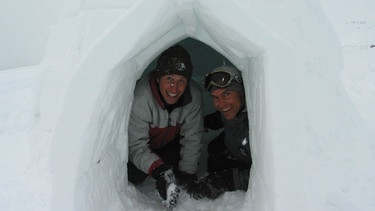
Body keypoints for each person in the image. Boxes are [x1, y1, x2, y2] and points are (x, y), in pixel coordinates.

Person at [127, 45, 203, 208]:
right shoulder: (141, 99)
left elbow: (192, 137)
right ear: (158, 77)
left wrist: (188, 175)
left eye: (181, 81)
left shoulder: (193, 97)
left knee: (178, 166)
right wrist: (159, 170)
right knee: (134, 174)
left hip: (168, 143)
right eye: (169, 78)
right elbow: (136, 146)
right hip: (145, 147)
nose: (174, 88)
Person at [192, 65, 252, 199]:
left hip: (248, 158)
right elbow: (218, 118)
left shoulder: (257, 124)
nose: (221, 104)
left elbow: (273, 173)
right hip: (235, 144)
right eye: (215, 97)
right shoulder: (234, 110)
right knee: (214, 150)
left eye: (226, 94)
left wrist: (228, 181)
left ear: (241, 93)